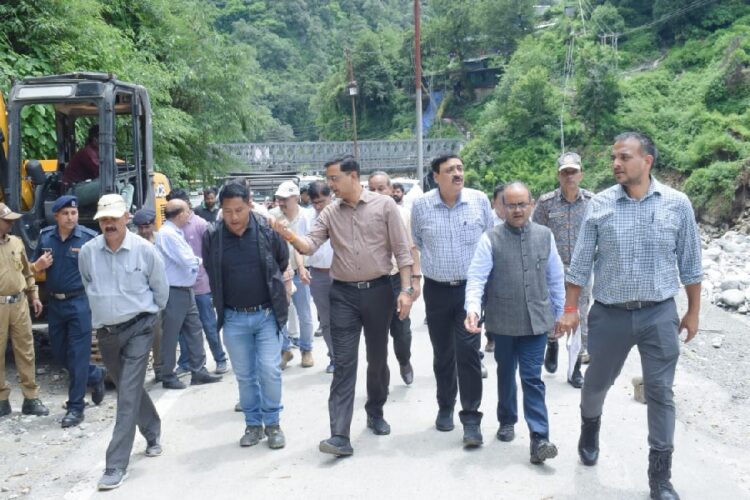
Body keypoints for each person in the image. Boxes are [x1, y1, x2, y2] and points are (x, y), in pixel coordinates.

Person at [558, 132, 702, 500]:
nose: (616, 164)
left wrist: (693, 313)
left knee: (660, 392)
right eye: (613, 158)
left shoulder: (677, 203)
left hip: (659, 314)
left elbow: (690, 264)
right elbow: (579, 264)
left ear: (647, 161)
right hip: (610, 315)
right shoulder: (602, 204)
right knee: (595, 385)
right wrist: (571, 309)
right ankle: (590, 428)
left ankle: (660, 477)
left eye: (624, 157)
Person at [273, 155, 414, 457]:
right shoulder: (329, 213)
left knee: (377, 359)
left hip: (379, 291)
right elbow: (310, 245)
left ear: (353, 176)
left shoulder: (384, 206)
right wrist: (287, 234)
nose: (329, 185)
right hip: (343, 296)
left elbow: (403, 251)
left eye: (334, 179)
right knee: (344, 364)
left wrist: (406, 289)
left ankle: (375, 411)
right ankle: (339, 434)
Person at [465, 182, 564, 465]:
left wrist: (559, 314)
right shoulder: (490, 239)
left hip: (536, 322)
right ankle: (507, 419)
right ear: (501, 207)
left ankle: (539, 438)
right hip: (503, 322)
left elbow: (555, 277)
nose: (518, 210)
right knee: (506, 373)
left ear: (531, 205)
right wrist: (472, 308)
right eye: (511, 205)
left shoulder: (545, 236)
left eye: (522, 204)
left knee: (532, 378)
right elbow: (477, 278)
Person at [78, 194, 169, 490]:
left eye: (113, 218)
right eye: (104, 219)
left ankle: (115, 464)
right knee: (128, 387)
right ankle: (153, 430)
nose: (108, 224)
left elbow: (161, 291)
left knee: (126, 395)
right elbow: (87, 282)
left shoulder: (145, 251)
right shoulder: (89, 253)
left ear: (126, 218)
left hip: (140, 327)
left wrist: (148, 318)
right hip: (107, 334)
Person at [411, 154, 493, 448]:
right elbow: (417, 241)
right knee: (443, 353)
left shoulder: (479, 200)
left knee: (469, 353)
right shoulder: (421, 206)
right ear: (436, 176)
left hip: (470, 293)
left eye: (460, 168)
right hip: (436, 291)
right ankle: (445, 405)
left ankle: (471, 419)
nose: (457, 174)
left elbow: (490, 240)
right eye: (450, 170)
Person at [203, 182, 290, 450]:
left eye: (239, 209)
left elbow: (282, 260)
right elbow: (210, 268)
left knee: (270, 370)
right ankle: (253, 425)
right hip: (233, 318)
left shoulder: (266, 229)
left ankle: (273, 423)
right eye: (227, 211)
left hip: (266, 314)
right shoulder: (213, 236)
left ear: (249, 204)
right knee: (245, 375)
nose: (234, 217)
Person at [31, 195, 105, 428]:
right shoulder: (46, 238)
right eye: (66, 213)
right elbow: (31, 270)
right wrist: (39, 266)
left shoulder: (88, 239)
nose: (71, 217)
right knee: (61, 354)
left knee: (78, 354)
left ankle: (76, 408)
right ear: (57, 216)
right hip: (55, 305)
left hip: (79, 303)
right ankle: (95, 375)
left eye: (73, 213)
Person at [533, 152, 594, 388]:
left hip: (581, 269)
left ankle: (576, 367)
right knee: (552, 311)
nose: (569, 176)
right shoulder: (547, 203)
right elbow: (536, 235)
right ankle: (551, 343)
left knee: (580, 316)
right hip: (553, 269)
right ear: (558, 175)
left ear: (581, 174)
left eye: (573, 171)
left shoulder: (592, 201)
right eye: (565, 172)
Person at [155, 199, 222, 389]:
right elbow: (187, 260)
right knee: (171, 334)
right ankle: (167, 375)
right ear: (179, 214)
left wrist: (195, 261)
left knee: (194, 329)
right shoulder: (168, 234)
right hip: (174, 291)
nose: (189, 214)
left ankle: (198, 370)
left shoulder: (174, 232)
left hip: (186, 289)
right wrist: (200, 261)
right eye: (187, 211)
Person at [368, 171, 422, 385]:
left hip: (398, 277)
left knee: (401, 330)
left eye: (381, 188)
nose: (377, 193)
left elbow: (412, 248)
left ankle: (404, 360)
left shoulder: (403, 214)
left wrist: (415, 280)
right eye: (372, 189)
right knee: (376, 334)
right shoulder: (361, 215)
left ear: (391, 190)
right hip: (374, 282)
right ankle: (381, 376)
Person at [167, 189, 228, 375]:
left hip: (201, 285)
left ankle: (220, 358)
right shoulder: (171, 228)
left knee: (209, 325)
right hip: (181, 287)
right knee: (183, 329)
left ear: (186, 205)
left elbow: (214, 251)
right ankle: (185, 363)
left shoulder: (200, 224)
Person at [0, 203, 48, 418]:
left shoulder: (17, 243)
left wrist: (34, 296)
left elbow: (27, 273)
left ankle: (31, 398)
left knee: (26, 351)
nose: (11, 223)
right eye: (6, 220)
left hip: (19, 303)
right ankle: (2, 400)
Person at [270, 181, 315, 368]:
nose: (281, 202)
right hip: (279, 273)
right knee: (279, 314)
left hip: (299, 271)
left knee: (304, 314)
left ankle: (306, 350)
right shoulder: (272, 216)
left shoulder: (307, 216)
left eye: (285, 199)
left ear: (296, 198)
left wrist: (303, 268)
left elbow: (304, 245)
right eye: (279, 199)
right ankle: (285, 350)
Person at [305, 181, 336, 374]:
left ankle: (345, 357)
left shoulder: (341, 213)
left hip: (342, 275)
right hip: (318, 275)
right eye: (315, 202)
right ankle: (334, 356)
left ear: (330, 196)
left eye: (321, 201)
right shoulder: (306, 218)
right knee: (326, 320)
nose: (318, 206)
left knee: (344, 319)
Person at [133, 208, 163, 382]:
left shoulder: (162, 241)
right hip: (139, 296)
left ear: (153, 224)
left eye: (147, 227)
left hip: (158, 294)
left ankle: (159, 367)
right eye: (141, 228)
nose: (144, 231)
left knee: (158, 333)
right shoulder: (133, 243)